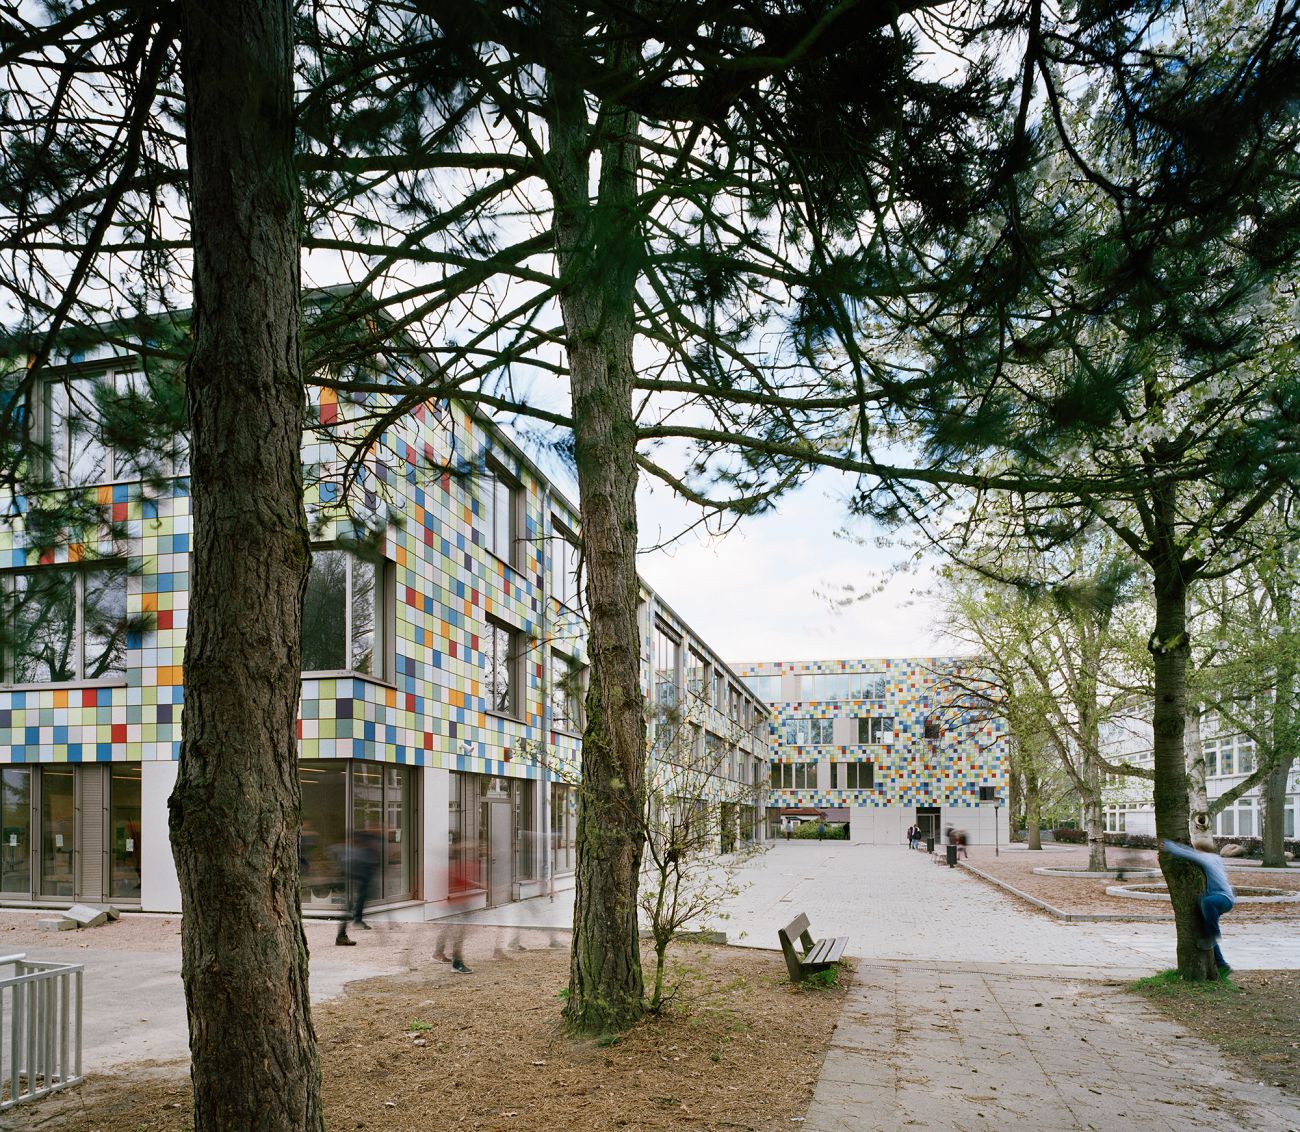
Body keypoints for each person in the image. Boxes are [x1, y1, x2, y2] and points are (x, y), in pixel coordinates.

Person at [1163, 838, 1236, 973]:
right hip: (1220, 899)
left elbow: (1187, 853)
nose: (1196, 853)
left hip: (1223, 898)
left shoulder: (1208, 858)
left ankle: (1213, 933)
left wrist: (1168, 845)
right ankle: (1221, 964)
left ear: (1201, 850)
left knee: (1207, 903)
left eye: (1197, 850)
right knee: (1205, 927)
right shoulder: (1216, 859)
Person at [336, 828, 380, 946]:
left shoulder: (351, 851)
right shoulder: (348, 851)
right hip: (349, 884)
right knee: (348, 908)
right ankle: (341, 936)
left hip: (352, 883)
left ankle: (342, 935)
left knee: (349, 907)